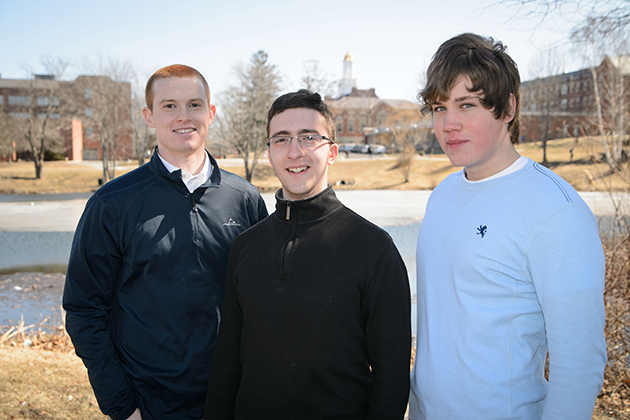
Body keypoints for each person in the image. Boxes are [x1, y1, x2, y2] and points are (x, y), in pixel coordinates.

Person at [409, 33, 607, 420]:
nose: (448, 124)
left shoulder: (554, 209)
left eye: (467, 105)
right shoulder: (443, 195)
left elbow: (579, 363)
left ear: (507, 108)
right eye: (438, 107)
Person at [63, 64, 269, 420]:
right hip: (149, 403)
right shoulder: (112, 203)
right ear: (149, 116)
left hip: (233, 400)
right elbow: (84, 310)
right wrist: (122, 405)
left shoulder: (245, 199)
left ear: (211, 112)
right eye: (169, 105)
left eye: (194, 104)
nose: (183, 116)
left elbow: (265, 302)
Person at [204, 89, 411, 420]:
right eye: (281, 139)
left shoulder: (373, 248)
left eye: (309, 137)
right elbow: (227, 360)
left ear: (332, 152)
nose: (295, 151)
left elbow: (393, 375)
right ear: (270, 153)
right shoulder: (245, 247)